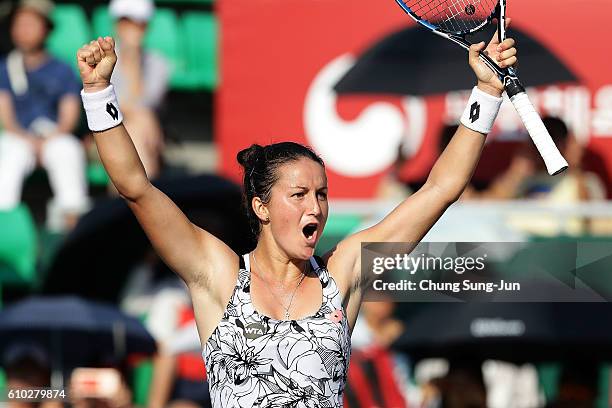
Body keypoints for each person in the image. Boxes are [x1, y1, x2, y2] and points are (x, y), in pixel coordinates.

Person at [76, 21, 518, 407]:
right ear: (260, 207)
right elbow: (136, 188)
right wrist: (99, 94)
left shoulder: (344, 273)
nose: (316, 207)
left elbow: (441, 190)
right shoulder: (218, 274)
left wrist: (486, 92)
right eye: (300, 194)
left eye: (322, 194)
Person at [0, 0, 88, 231]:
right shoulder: (5, 68)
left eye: (31, 23)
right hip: (18, 137)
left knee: (67, 150)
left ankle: (70, 228)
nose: (24, 29)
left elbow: (69, 117)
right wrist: (28, 141)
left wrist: (47, 140)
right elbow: (6, 117)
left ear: (46, 29)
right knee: (9, 155)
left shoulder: (63, 70)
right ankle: (7, 227)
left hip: (53, 136)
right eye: (20, 23)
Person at [107, 0, 169, 179]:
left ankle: (126, 203)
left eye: (139, 23)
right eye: (127, 22)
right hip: (107, 135)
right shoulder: (102, 60)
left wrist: (133, 58)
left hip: (143, 135)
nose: (133, 29)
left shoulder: (158, 63)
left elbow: (147, 102)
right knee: (137, 127)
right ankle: (143, 199)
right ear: (117, 24)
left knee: (136, 129)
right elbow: (109, 108)